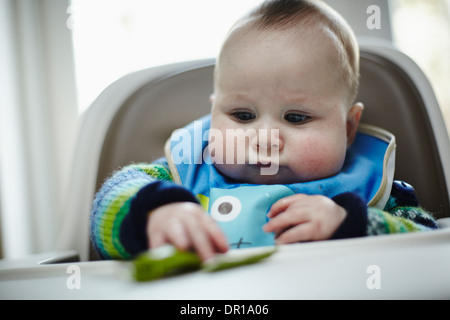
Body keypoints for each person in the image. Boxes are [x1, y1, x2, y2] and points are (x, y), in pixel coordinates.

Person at [90, 0, 438, 261]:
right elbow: (107, 205)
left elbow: (428, 246)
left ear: (347, 129)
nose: (264, 139)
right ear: (214, 114)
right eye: (242, 115)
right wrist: (154, 214)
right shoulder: (184, 173)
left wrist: (352, 225)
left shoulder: (371, 192)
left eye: (296, 118)